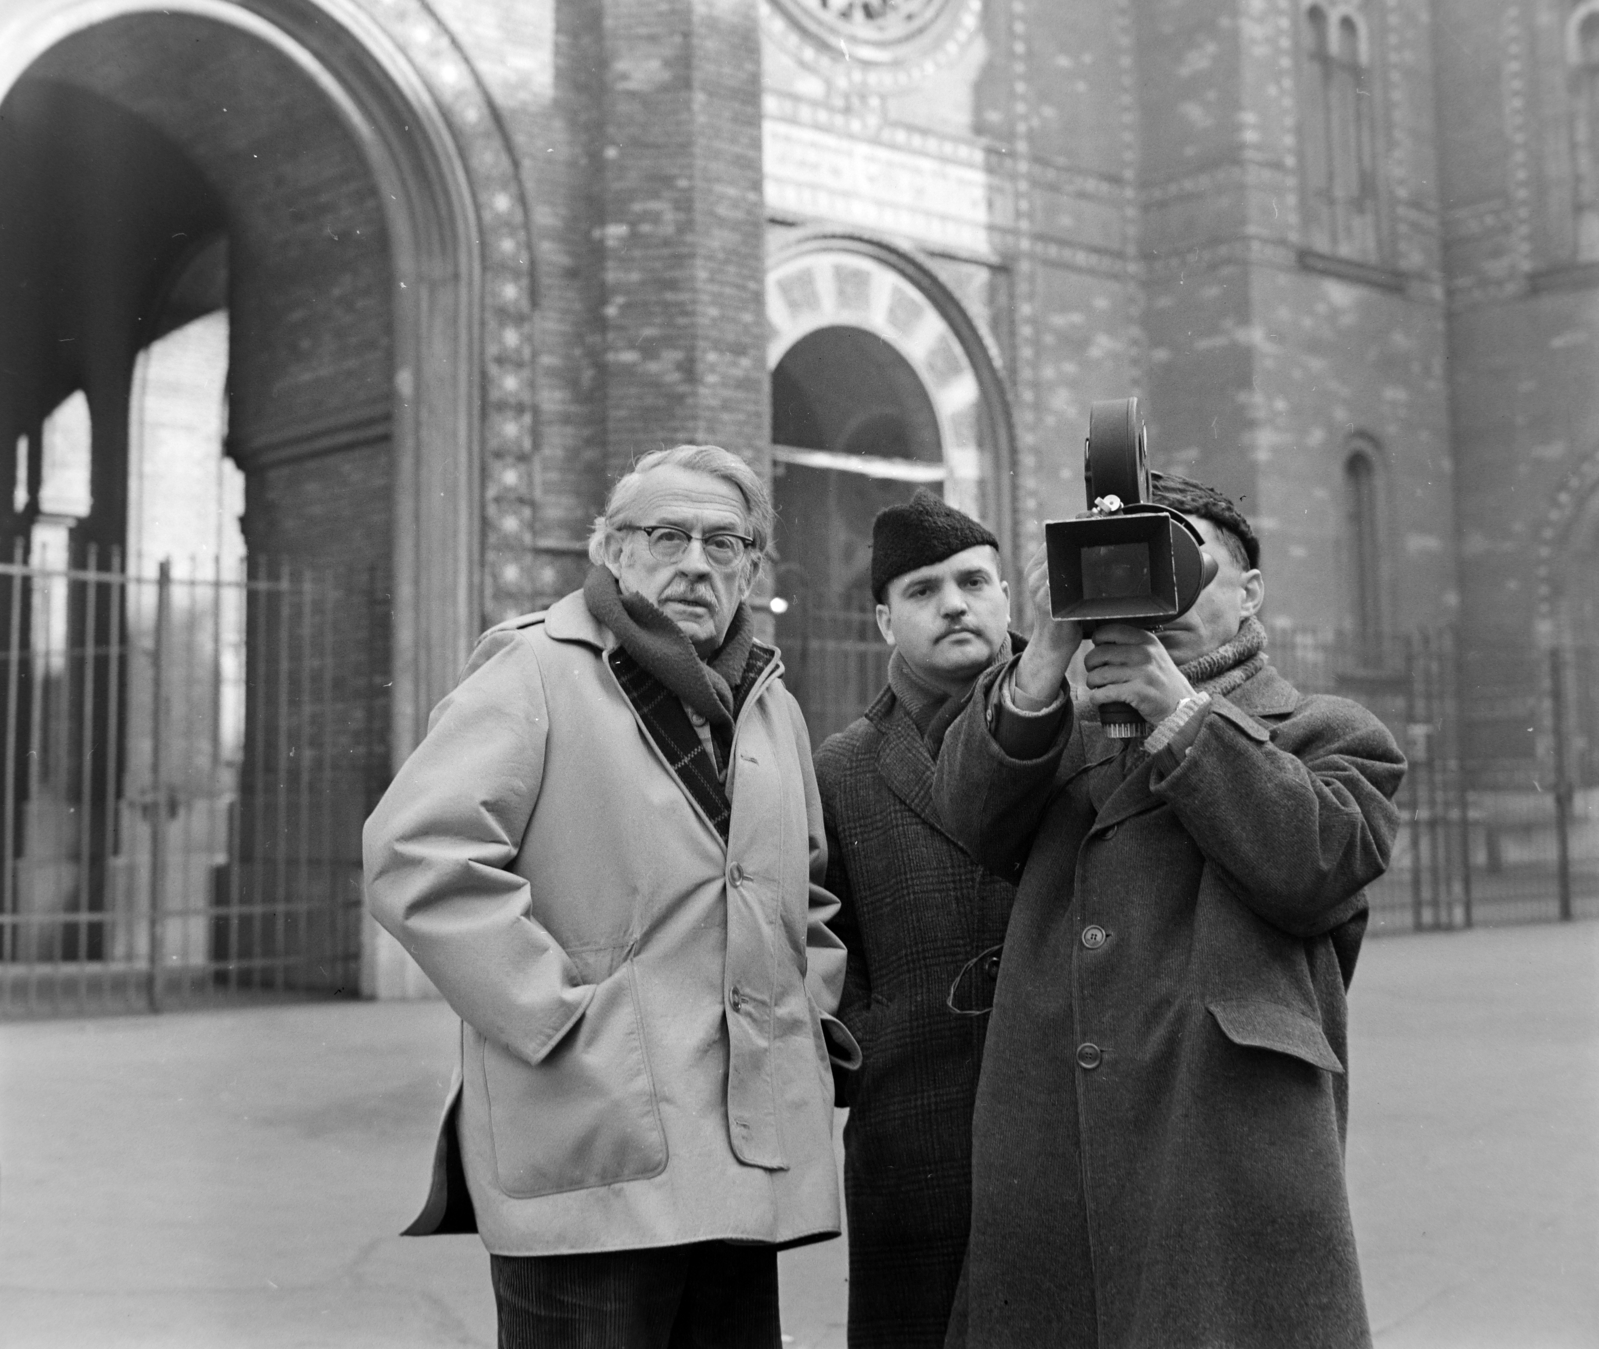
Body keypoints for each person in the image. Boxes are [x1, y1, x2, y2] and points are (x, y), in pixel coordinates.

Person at [364, 444, 859, 1349]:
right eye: (667, 535)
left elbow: (808, 888)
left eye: (725, 543)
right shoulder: (535, 671)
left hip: (743, 1142)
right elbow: (418, 855)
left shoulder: (769, 703)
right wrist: (558, 1018)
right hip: (593, 1134)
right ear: (613, 552)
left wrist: (805, 1015)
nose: (696, 562)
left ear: (751, 567)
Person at [932, 472, 1407, 1349]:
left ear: (1251, 592)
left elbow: (1313, 868)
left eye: (1187, 564)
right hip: (1054, 1131)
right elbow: (965, 818)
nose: (1163, 592)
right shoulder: (1059, 724)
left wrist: (1179, 713)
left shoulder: (1332, 732)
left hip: (1222, 1130)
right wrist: (1041, 655)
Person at [813, 490, 1018, 1348]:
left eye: (974, 581)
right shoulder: (845, 767)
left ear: (1009, 598)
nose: (955, 605)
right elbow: (822, 936)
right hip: (913, 1133)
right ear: (883, 622)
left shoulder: (1094, 725)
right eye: (923, 591)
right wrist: (877, 1048)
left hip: (1068, 1119)